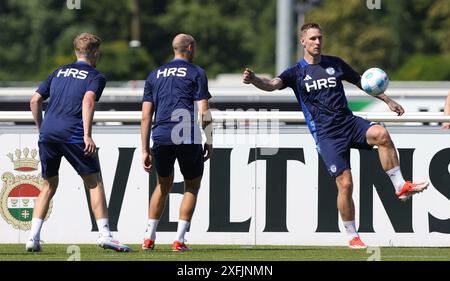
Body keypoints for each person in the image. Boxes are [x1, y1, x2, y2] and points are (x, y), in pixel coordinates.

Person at [243, 23, 429, 249]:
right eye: (312, 38)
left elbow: (363, 82)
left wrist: (389, 101)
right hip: (327, 135)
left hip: (349, 123)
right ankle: (353, 236)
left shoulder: (335, 64)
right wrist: (254, 80)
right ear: (303, 41)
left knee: (381, 133)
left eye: (320, 38)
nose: (317, 42)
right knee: (346, 184)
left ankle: (400, 186)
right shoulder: (295, 72)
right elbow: (272, 85)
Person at [28, 33, 131, 252]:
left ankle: (33, 238)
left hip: (48, 134)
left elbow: (35, 99)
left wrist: (41, 128)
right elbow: (88, 100)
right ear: (95, 53)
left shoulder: (58, 72)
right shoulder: (96, 76)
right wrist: (87, 134)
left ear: (76, 52)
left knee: (48, 185)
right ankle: (105, 235)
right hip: (73, 133)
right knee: (95, 182)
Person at [141, 34, 213, 252]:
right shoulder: (196, 72)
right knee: (192, 185)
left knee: (162, 185)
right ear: (190, 48)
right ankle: (179, 241)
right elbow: (204, 110)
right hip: (186, 136)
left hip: (161, 135)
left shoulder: (154, 75)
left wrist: (145, 149)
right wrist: (209, 140)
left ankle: (148, 238)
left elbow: (145, 116)